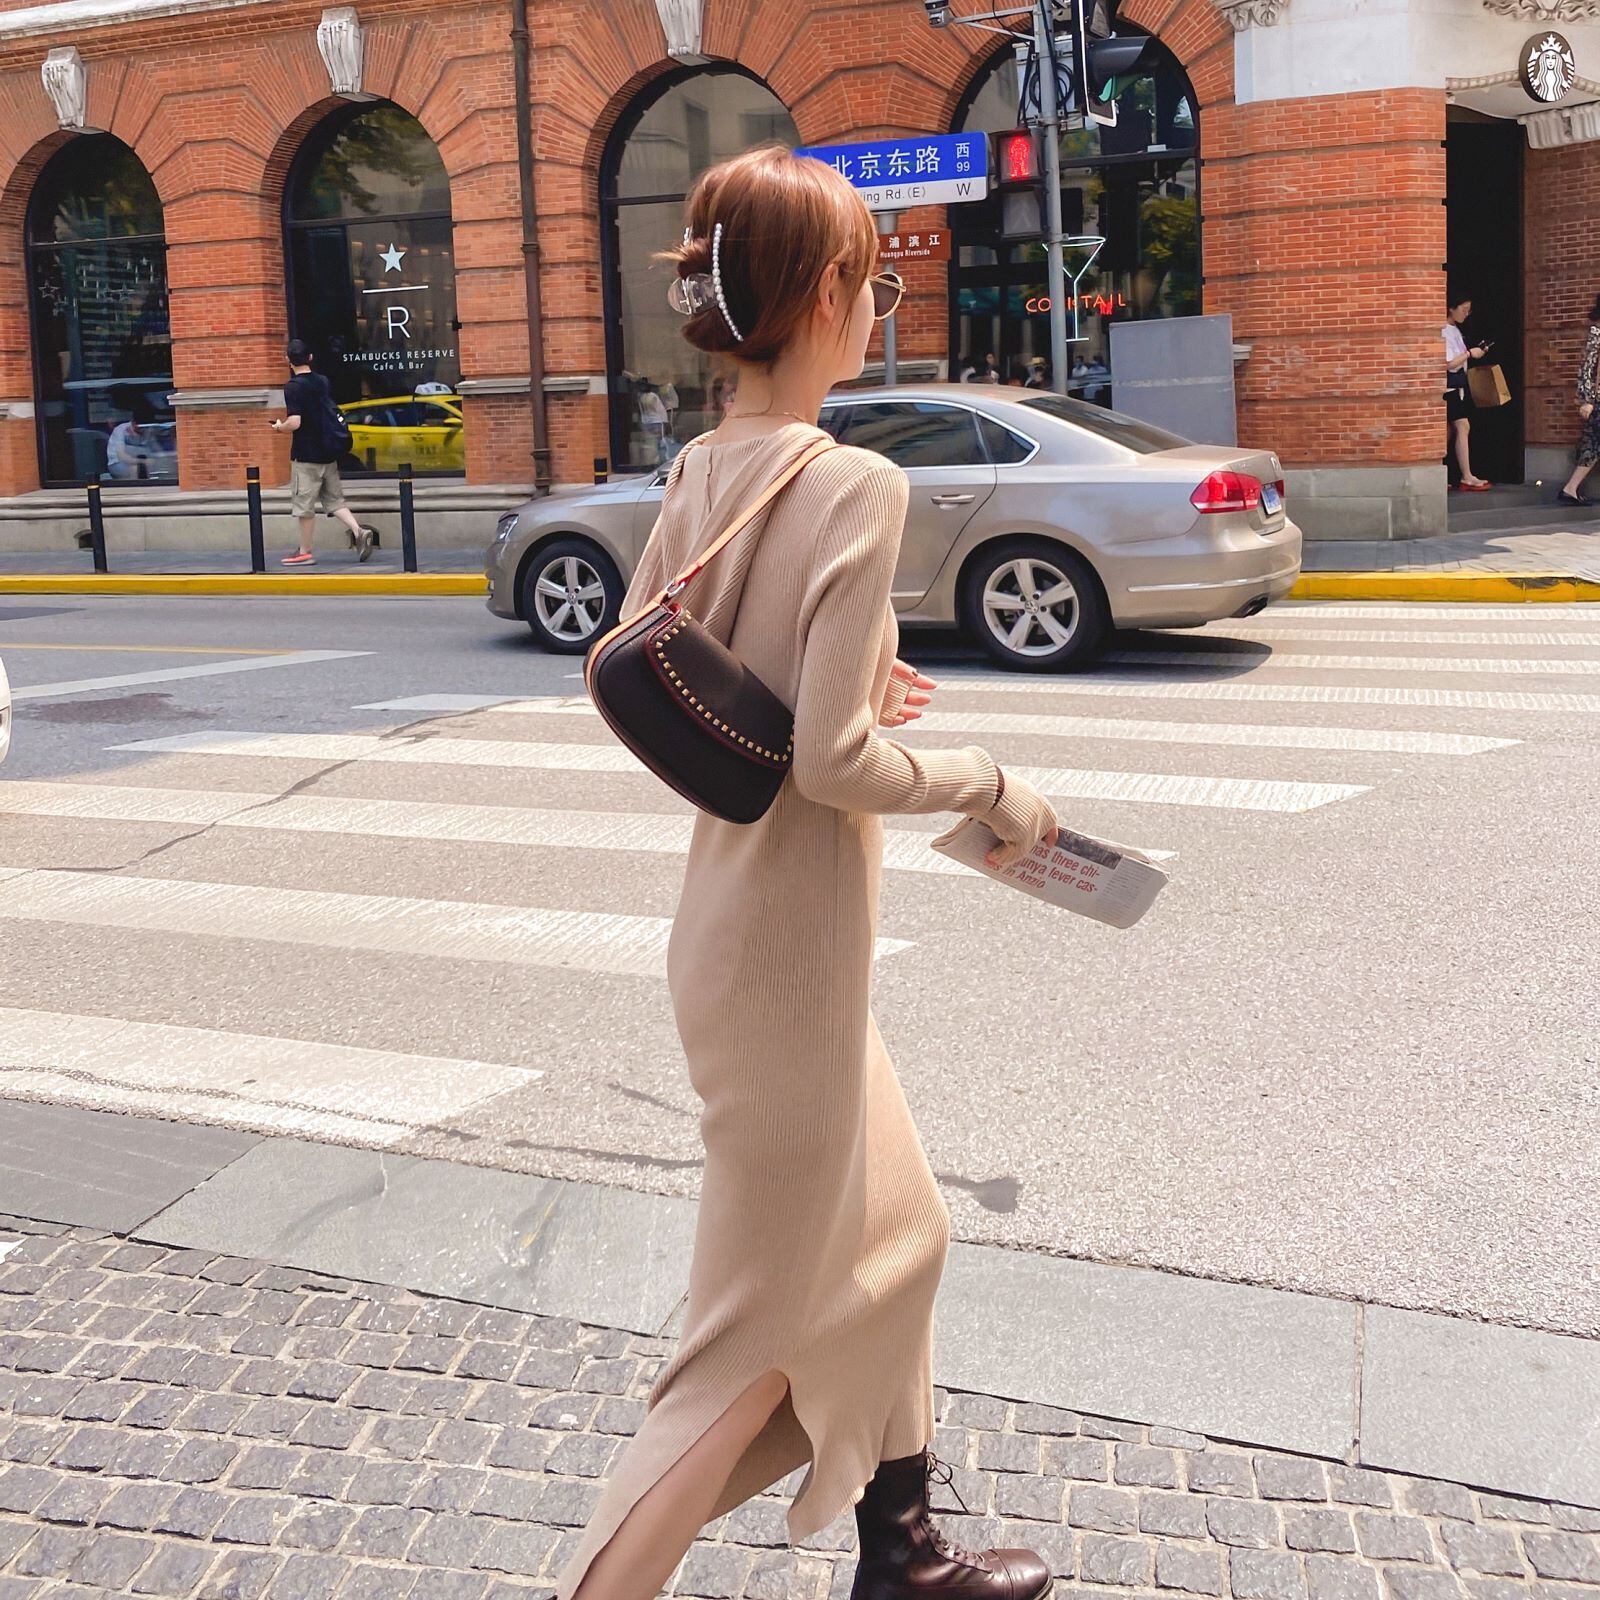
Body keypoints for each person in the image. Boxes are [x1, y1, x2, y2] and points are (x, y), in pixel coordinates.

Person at [557, 143, 1059, 1600]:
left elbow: (680, 665)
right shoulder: (852, 482)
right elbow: (833, 769)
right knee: (740, 1350)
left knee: (909, 1230)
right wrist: (990, 784)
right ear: (830, 290)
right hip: (786, 963)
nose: (876, 307)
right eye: (873, 282)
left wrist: (850, 684)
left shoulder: (701, 468)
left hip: (743, 937)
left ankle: (901, 1550)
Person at [271, 339, 374, 566]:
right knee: (335, 501)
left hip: (306, 455)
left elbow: (295, 422)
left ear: (288, 360)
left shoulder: (292, 387)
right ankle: (358, 531)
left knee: (304, 507)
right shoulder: (323, 381)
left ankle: (305, 552)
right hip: (328, 451)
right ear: (310, 358)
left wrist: (280, 427)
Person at [1443, 295, 1491, 492]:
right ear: (1451, 308)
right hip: (1449, 386)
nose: (1466, 314)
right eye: (1463, 309)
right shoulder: (1443, 330)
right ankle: (1466, 475)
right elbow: (1448, 364)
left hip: (1457, 386)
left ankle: (1441, 471)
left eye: (1468, 310)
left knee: (1448, 429)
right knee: (1462, 425)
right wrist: (1470, 353)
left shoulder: (1455, 330)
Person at [1559, 291, 1600, 508]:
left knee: (1592, 445)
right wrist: (1587, 400)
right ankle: (1570, 488)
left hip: (1595, 400)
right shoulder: (1596, 333)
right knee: (1593, 444)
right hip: (1597, 400)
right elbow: (1587, 368)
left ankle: (1571, 488)